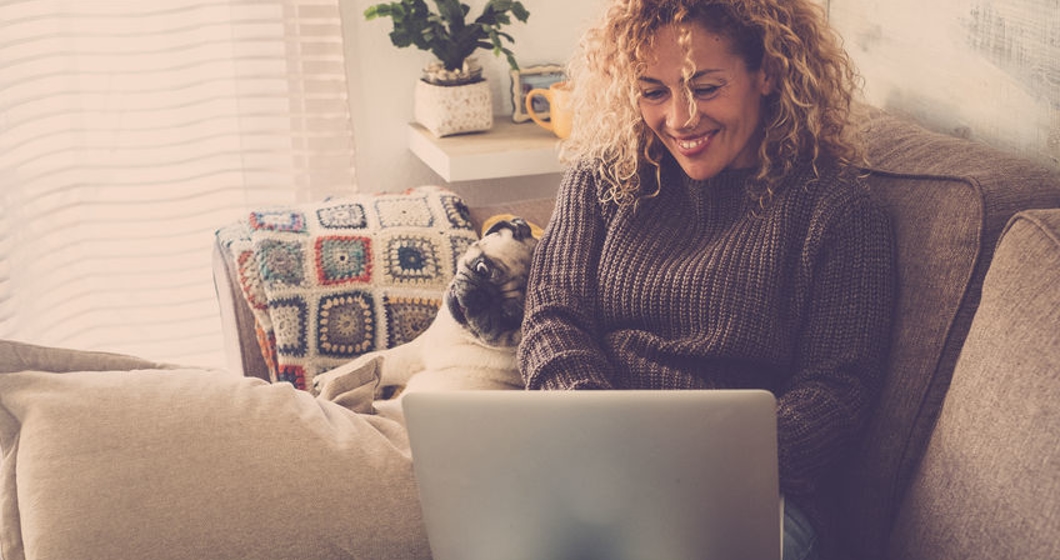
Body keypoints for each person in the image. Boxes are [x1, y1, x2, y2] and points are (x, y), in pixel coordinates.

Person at [516, 1, 898, 559]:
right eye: (653, 92)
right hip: (597, 465)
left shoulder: (837, 211)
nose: (680, 118)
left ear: (767, 72)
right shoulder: (604, 177)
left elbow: (836, 393)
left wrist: (693, 465)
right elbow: (553, 314)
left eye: (706, 87)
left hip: (749, 489)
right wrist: (591, 423)